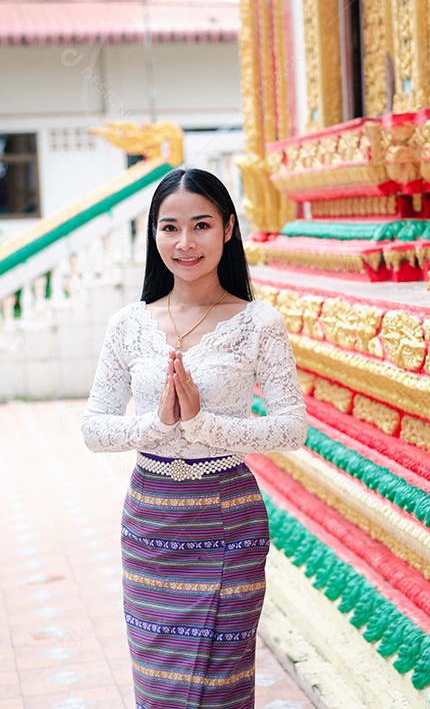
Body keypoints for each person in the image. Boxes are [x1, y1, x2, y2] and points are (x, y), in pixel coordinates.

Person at [81, 167, 307, 709]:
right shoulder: (127, 325)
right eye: (170, 227)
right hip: (151, 520)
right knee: (159, 686)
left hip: (226, 517)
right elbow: (94, 428)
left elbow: (292, 427)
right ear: (154, 234)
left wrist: (204, 424)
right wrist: (157, 424)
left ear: (228, 228)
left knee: (219, 686)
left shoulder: (258, 323)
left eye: (201, 225)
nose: (185, 242)